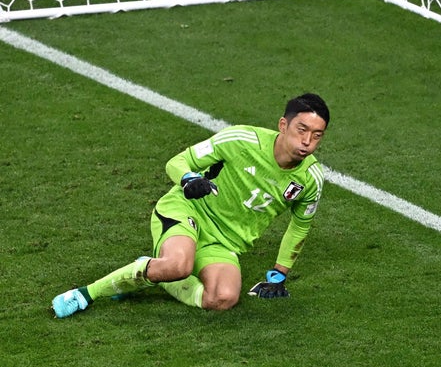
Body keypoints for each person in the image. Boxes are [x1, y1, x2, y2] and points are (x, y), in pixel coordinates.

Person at [51, 93, 330, 318]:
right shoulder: (241, 140)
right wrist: (188, 179)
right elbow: (177, 162)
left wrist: (279, 274)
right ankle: (86, 294)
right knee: (178, 265)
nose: (307, 142)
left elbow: (300, 225)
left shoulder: (311, 179)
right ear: (284, 125)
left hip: (224, 243)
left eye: (316, 135)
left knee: (223, 298)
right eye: (301, 130)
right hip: (187, 212)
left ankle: (149, 270)